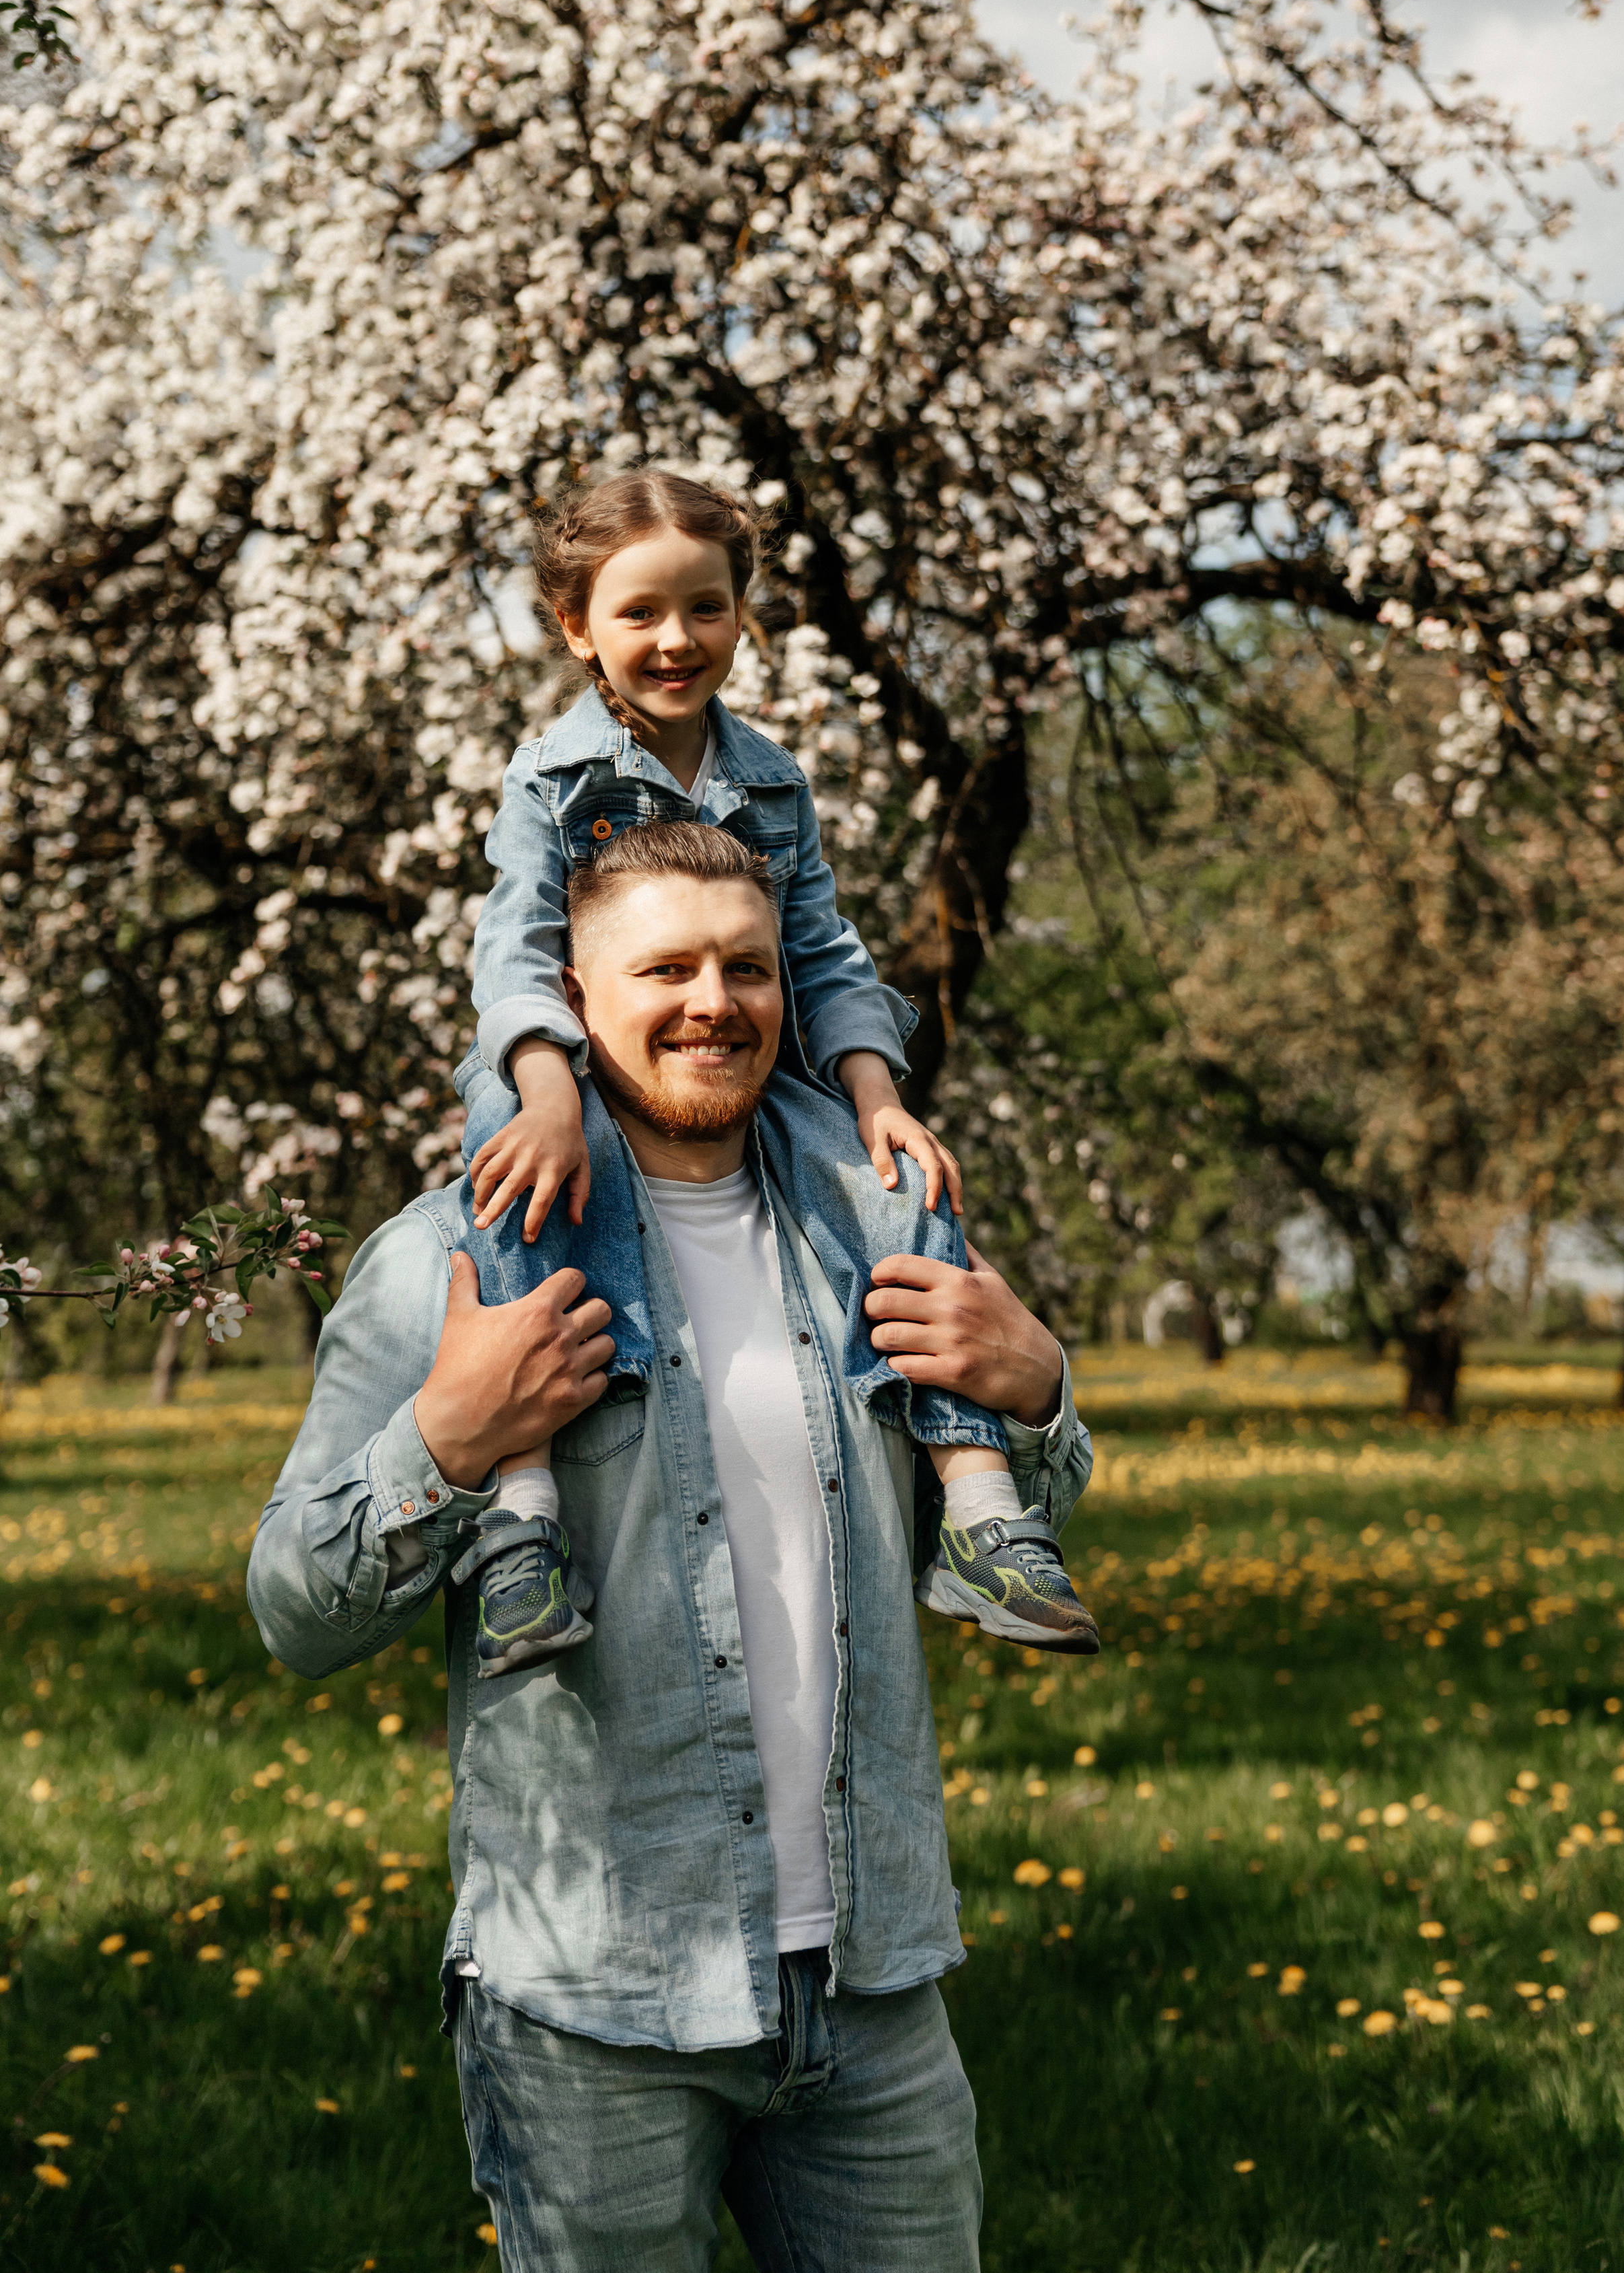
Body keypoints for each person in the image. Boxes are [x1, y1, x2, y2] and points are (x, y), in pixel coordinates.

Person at [247, 821, 1094, 2272]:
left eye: (749, 967)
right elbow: (294, 1609)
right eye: (668, 968)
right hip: (598, 2005)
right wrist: (445, 1440)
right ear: (572, 1001)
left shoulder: (876, 1222)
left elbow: (994, 1521)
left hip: (873, 1988)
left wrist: (1041, 1393)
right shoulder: (458, 1254)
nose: (716, 1001)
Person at [451, 467, 1095, 1672]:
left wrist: (878, 1096)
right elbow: (516, 953)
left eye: (705, 607)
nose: (676, 639)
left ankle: (980, 1505)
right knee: (521, 1183)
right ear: (577, 626)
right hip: (557, 1053)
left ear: (742, 614)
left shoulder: (772, 784)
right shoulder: (551, 778)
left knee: (901, 1181)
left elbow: (824, 957)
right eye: (639, 612)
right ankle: (519, 1531)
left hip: (740, 1071)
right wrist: (546, 1088)